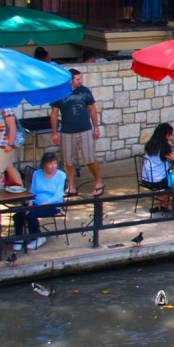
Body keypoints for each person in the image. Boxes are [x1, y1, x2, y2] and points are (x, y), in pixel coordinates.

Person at [50, 69, 103, 197]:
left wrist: (96, 127)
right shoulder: (59, 93)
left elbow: (92, 109)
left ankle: (98, 181)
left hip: (85, 129)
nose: (81, 81)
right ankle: (71, 186)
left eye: (80, 79)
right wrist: (54, 132)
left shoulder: (85, 91)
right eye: (78, 79)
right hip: (67, 132)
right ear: (71, 80)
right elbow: (54, 113)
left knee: (90, 159)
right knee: (68, 161)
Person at [11, 152, 66, 251]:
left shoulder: (61, 175)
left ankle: (37, 237)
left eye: (55, 163)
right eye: (50, 163)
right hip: (36, 202)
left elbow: (58, 195)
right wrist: (30, 202)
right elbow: (33, 191)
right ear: (44, 164)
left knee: (30, 214)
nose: (53, 166)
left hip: (53, 205)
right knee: (18, 214)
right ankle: (19, 239)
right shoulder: (37, 174)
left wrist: (47, 202)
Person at [141, 123, 174, 212]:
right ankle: (160, 199)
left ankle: (161, 204)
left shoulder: (150, 144)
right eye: (170, 134)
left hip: (145, 179)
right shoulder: (163, 148)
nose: (171, 136)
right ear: (166, 135)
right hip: (156, 181)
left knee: (169, 176)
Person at [0, 107, 24, 188]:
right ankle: (21, 188)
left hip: (3, 146)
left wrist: (10, 144)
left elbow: (12, 127)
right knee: (9, 167)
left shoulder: (7, 110)